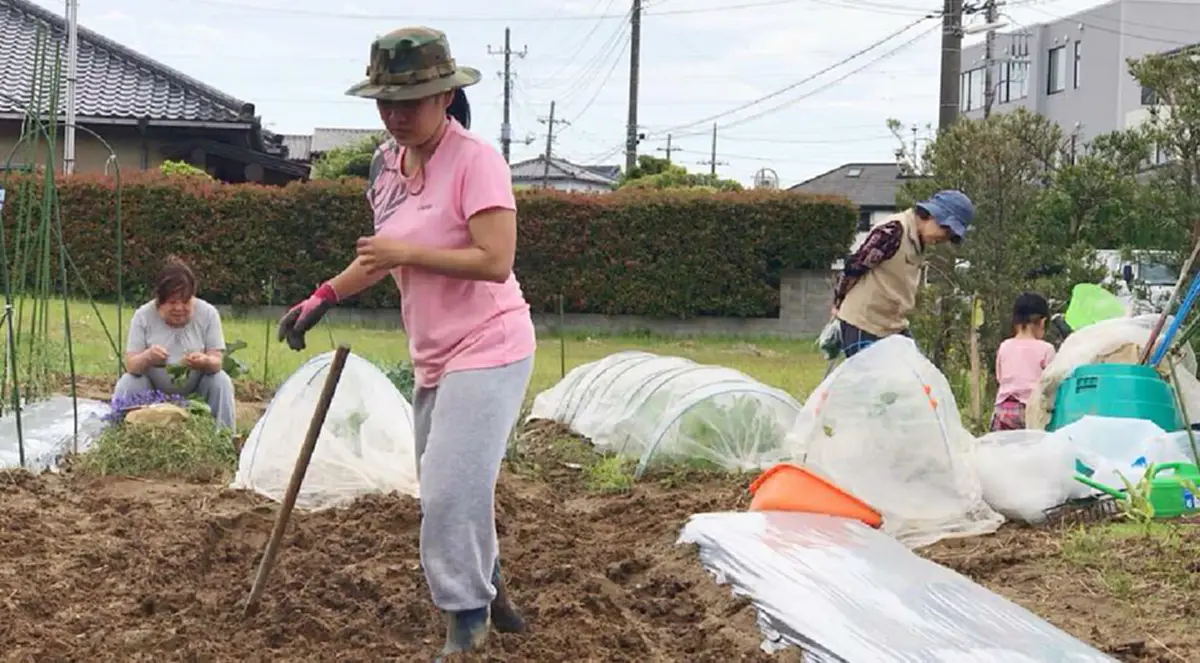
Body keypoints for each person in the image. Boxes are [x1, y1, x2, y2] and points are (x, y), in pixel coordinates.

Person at [275, 26, 535, 660]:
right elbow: (378, 257)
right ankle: (491, 585)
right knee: (454, 484)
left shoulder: (476, 161)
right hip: (434, 354)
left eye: (409, 102)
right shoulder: (387, 167)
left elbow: (495, 260)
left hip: (492, 341)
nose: (396, 115)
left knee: (448, 490)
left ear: (445, 97)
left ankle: (465, 624)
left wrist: (407, 252)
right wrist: (323, 297)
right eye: (385, 102)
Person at [831, 189, 976, 358]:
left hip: (893, 324)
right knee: (872, 382)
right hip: (864, 323)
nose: (945, 238)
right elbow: (855, 267)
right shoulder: (893, 230)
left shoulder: (919, 240)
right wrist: (838, 301)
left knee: (915, 376)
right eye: (946, 230)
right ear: (933, 215)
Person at [114, 256, 236, 429]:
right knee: (129, 382)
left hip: (196, 395)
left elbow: (217, 362)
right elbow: (132, 364)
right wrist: (148, 357)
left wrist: (204, 361)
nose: (179, 308)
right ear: (159, 303)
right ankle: (117, 433)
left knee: (220, 380)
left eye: (185, 301)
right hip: (153, 394)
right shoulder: (143, 316)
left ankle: (225, 439)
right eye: (172, 302)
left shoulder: (208, 314)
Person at [992, 292, 1057, 431]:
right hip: (1029, 410)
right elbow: (1051, 382)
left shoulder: (1005, 346)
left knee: (1002, 449)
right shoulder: (1046, 349)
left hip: (1002, 410)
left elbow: (1000, 377)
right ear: (1042, 322)